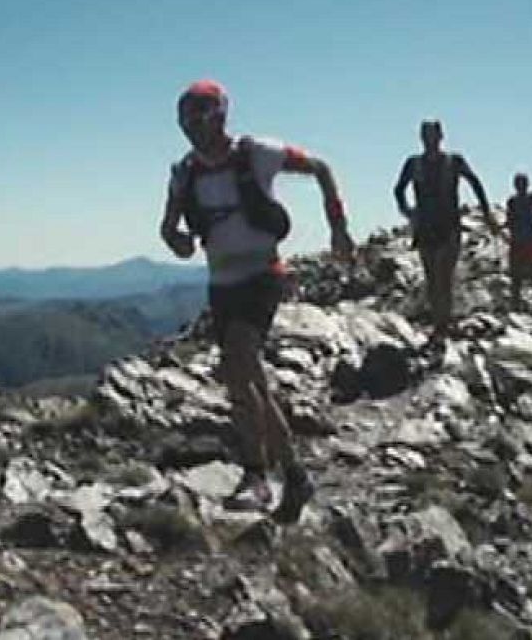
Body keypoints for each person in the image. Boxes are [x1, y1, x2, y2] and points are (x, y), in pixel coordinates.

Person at [160, 79, 355, 522]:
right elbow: (169, 227)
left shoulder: (258, 153)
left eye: (198, 120)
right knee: (243, 383)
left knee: (242, 361)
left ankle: (263, 476)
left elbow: (320, 167)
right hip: (221, 283)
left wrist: (338, 226)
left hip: (262, 275)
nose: (192, 130)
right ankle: (287, 475)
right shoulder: (185, 172)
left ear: (219, 116)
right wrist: (178, 241)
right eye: (187, 122)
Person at [393, 120, 497, 351]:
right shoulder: (414, 163)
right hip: (425, 227)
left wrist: (487, 211)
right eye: (426, 134)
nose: (430, 138)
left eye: (433, 134)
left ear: (441, 136)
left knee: (444, 277)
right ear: (421, 137)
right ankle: (438, 324)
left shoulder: (454, 161)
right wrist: (407, 210)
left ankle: (442, 327)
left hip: (449, 226)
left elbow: (475, 182)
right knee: (432, 279)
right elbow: (399, 188)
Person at [504, 172, 532, 308]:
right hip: (523, 240)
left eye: (521, 183)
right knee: (520, 274)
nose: (520, 186)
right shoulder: (519, 201)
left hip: (527, 240)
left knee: (530, 273)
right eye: (519, 184)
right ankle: (519, 302)